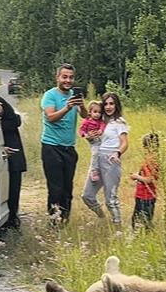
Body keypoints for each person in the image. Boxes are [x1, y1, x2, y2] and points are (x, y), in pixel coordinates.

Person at [40, 64, 85, 222]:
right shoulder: (50, 95)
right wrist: (67, 107)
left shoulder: (73, 95)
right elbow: (50, 117)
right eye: (64, 77)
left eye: (71, 77)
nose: (68, 80)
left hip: (69, 148)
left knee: (67, 187)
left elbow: (85, 116)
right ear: (57, 78)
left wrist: (81, 105)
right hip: (51, 147)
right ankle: (54, 221)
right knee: (55, 188)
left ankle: (64, 220)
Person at [81, 92, 129, 225]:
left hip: (111, 160)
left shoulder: (119, 122)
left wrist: (117, 153)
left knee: (110, 199)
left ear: (116, 105)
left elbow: (125, 143)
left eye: (111, 104)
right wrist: (88, 137)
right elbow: (91, 138)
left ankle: (117, 225)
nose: (108, 107)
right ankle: (102, 217)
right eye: (106, 104)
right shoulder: (99, 120)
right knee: (87, 196)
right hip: (97, 160)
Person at [0, 94, 25, 230]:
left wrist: (1, 106)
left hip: (13, 159)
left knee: (13, 191)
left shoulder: (9, 120)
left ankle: (12, 219)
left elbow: (15, 120)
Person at [130, 133, 160, 229]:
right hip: (144, 195)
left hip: (146, 196)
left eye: (145, 147)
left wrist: (136, 176)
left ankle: (145, 236)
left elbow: (149, 179)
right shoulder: (153, 159)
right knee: (139, 220)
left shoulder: (151, 161)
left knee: (142, 222)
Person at [79, 100, 106, 183]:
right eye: (95, 112)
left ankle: (101, 169)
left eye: (99, 112)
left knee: (102, 154)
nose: (97, 114)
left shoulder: (100, 121)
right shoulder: (87, 121)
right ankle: (94, 171)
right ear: (90, 112)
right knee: (95, 154)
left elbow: (103, 125)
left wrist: (101, 130)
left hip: (101, 139)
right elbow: (81, 130)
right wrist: (85, 135)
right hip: (93, 141)